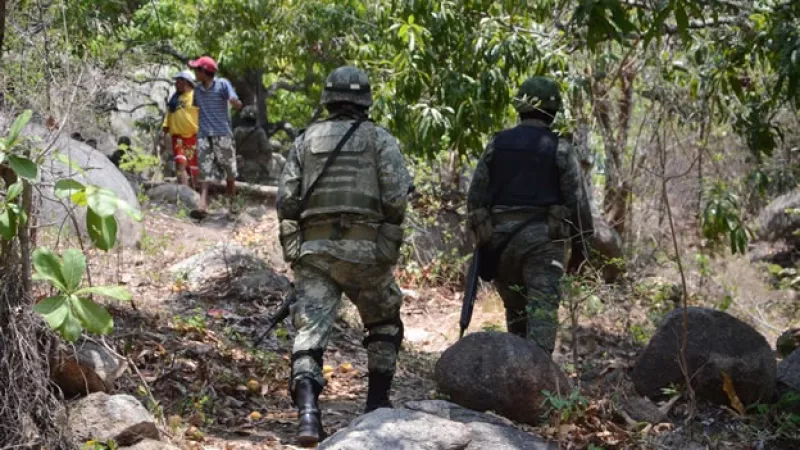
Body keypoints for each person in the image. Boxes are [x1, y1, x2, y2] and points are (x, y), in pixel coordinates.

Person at [277, 66, 412, 446]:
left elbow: (286, 199)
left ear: (329, 98)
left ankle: (307, 416)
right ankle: (375, 406)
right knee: (384, 320)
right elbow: (396, 199)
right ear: (365, 101)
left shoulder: (305, 140)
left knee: (310, 332)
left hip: (315, 252)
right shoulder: (381, 140)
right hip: (367, 252)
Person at [466, 75, 594, 354]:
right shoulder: (559, 148)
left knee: (516, 314)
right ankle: (538, 387)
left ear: (520, 107)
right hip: (543, 245)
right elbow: (577, 203)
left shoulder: (497, 144)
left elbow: (475, 197)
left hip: (500, 245)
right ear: (553, 110)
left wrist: (483, 239)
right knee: (542, 322)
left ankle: (516, 379)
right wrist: (582, 250)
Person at [188, 56, 243, 218]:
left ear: (204, 72)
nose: (195, 73)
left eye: (197, 70)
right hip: (204, 134)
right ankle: (203, 205)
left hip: (222, 133)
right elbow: (196, 107)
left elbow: (234, 99)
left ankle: (232, 205)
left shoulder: (223, 84)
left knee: (229, 170)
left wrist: (235, 102)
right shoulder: (197, 90)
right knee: (204, 170)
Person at [162, 70, 200, 187]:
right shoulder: (174, 99)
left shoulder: (196, 96)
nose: (175, 84)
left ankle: (196, 191)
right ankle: (184, 191)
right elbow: (168, 117)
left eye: (178, 81)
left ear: (186, 82)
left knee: (193, 167)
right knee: (180, 164)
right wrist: (163, 133)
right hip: (177, 138)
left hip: (193, 138)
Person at [233, 105, 272, 184]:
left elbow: (232, 148)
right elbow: (267, 149)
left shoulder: (236, 131)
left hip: (238, 166)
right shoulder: (259, 132)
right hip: (255, 167)